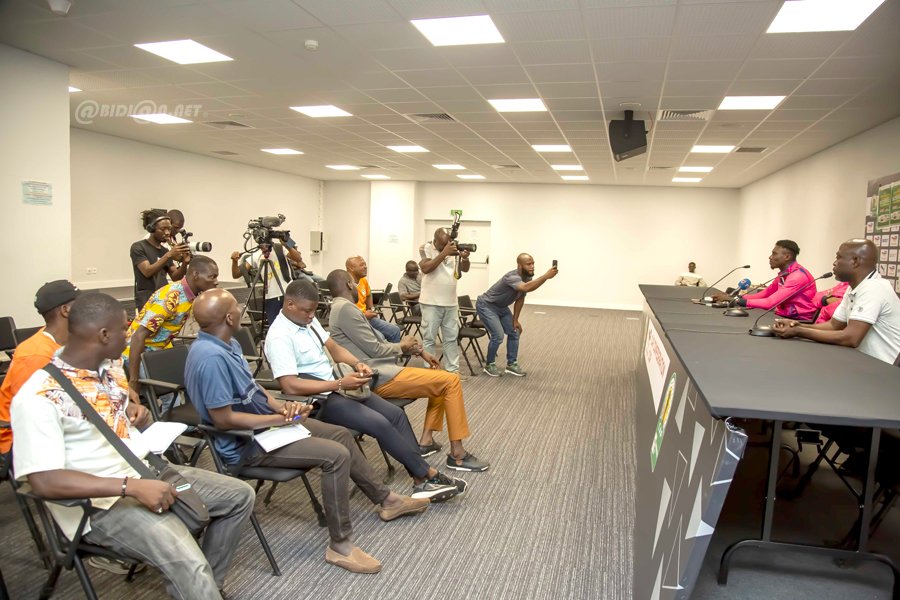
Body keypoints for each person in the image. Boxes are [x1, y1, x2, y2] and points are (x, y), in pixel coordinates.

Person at [11, 292, 255, 599]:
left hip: (143, 470)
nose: (130, 336)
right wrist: (131, 487)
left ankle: (206, 588)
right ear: (103, 335)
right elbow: (44, 482)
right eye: (124, 330)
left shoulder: (110, 369)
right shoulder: (38, 396)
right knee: (187, 560)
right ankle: (196, 581)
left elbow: (113, 422)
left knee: (239, 496)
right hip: (99, 504)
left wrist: (136, 416)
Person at [185, 289, 430, 574]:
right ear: (229, 317)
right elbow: (223, 419)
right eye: (236, 307)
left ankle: (387, 500)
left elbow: (255, 389)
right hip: (246, 445)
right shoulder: (210, 357)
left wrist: (282, 408)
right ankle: (340, 546)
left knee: (340, 434)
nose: (241, 310)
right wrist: (276, 421)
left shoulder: (227, 344)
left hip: (267, 425)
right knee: (336, 456)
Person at [264, 280, 466, 501]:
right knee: (378, 422)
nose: (312, 315)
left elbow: (334, 348)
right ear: (290, 304)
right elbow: (290, 385)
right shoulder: (279, 336)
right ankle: (428, 474)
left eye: (314, 310)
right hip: (316, 400)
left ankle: (420, 478)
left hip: (339, 386)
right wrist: (339, 384)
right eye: (307, 310)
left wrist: (357, 364)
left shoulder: (307, 322)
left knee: (395, 414)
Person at [325, 269, 489, 472]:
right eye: (355, 283)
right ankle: (458, 455)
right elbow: (375, 349)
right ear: (350, 285)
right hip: (377, 376)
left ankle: (426, 441)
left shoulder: (344, 309)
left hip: (384, 369)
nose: (358, 286)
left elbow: (379, 342)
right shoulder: (345, 309)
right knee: (450, 381)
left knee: (441, 379)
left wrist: (419, 352)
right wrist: (402, 346)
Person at [774, 239, 900, 364]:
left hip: (886, 370)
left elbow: (851, 338)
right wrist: (796, 325)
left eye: (838, 258)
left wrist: (799, 331)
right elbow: (834, 325)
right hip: (865, 362)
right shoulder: (854, 287)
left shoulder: (873, 288)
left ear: (855, 261)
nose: (834, 263)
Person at [0, 280, 80, 454]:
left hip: (61, 421)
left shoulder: (69, 342)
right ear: (65, 311)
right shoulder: (35, 354)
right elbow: (33, 412)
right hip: (20, 436)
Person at [124, 256, 219, 395]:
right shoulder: (170, 297)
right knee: (169, 393)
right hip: (137, 354)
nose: (216, 281)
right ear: (195, 275)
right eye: (212, 277)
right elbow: (138, 336)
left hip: (158, 351)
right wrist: (134, 380)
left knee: (193, 379)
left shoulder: (192, 296)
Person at [476, 254, 558, 377]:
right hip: (487, 305)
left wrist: (516, 320)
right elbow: (525, 287)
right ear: (520, 265)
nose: (532, 266)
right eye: (528, 264)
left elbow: (520, 298)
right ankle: (489, 365)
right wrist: (546, 276)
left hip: (502, 307)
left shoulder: (527, 278)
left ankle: (511, 364)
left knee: (515, 331)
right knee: (498, 335)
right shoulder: (512, 277)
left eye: (533, 263)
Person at [712, 239, 817, 321]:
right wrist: (734, 297)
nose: (770, 257)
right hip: (784, 316)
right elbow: (764, 294)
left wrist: (736, 300)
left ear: (787, 257)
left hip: (798, 320)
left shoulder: (797, 277)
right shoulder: (786, 273)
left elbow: (770, 303)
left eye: (774, 254)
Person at [418, 228, 470, 375]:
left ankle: (453, 371)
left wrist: (464, 258)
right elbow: (426, 268)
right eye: (442, 244)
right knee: (429, 338)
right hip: (430, 302)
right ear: (435, 241)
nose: (446, 245)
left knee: (451, 339)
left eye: (448, 243)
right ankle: (430, 371)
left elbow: (463, 271)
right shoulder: (426, 247)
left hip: (451, 302)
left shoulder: (452, 247)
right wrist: (444, 253)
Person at [230, 238, 303, 327]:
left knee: (293, 325)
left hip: (288, 294)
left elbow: (298, 259)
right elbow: (236, 274)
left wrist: (288, 246)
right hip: (271, 297)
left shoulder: (279, 248)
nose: (264, 248)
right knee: (275, 327)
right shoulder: (256, 255)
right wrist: (234, 261)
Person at [130, 209, 191, 308]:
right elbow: (147, 271)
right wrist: (170, 254)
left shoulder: (164, 251)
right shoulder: (138, 247)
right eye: (163, 229)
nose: (167, 233)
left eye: (169, 229)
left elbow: (176, 277)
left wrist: (185, 263)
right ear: (151, 229)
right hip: (147, 299)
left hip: (163, 297)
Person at [346, 256, 402, 343]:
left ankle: (394, 355)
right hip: (356, 321)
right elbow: (347, 313)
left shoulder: (363, 281)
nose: (365, 267)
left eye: (365, 264)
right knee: (381, 338)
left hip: (368, 319)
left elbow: (368, 295)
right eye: (361, 265)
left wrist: (371, 308)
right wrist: (364, 315)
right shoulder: (346, 285)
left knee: (395, 330)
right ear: (351, 268)